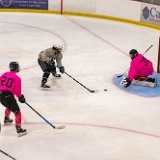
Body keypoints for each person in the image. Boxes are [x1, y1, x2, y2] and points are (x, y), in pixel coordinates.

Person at [0, 62, 27, 137]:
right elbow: (17, 91)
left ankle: (6, 119)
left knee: (9, 106)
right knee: (17, 112)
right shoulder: (17, 78)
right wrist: (21, 97)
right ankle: (19, 129)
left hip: (1, 95)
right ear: (17, 68)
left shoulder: (5, 74)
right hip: (8, 96)